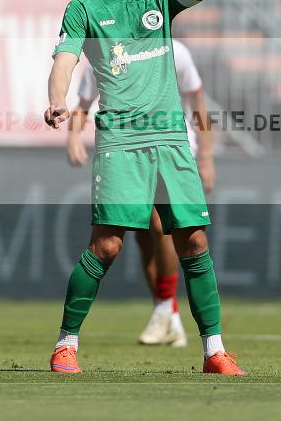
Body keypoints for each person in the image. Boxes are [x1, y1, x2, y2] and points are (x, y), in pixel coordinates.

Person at [44, 0, 281, 375]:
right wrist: (56, 101)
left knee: (193, 241)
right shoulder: (84, 7)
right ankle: (65, 344)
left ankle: (214, 351)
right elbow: (65, 59)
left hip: (172, 140)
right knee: (108, 246)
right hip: (121, 140)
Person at [67, 39, 215, 348]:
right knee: (144, 237)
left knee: (163, 226)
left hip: (173, 147)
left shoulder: (175, 50)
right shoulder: (105, 51)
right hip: (126, 152)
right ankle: (169, 314)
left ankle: (166, 310)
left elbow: (197, 101)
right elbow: (82, 105)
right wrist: (73, 137)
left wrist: (206, 156)